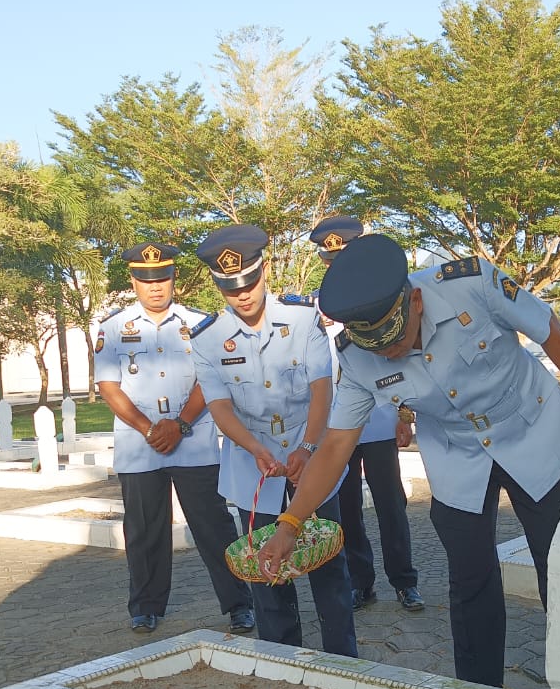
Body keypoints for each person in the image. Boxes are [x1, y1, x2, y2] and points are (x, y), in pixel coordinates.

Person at [257, 234, 560, 687]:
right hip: (456, 454)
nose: (390, 353)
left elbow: (546, 326)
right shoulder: (357, 354)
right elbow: (334, 446)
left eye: (397, 339)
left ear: (418, 302)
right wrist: (290, 522)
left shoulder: (474, 283)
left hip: (531, 430)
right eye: (379, 348)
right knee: (470, 580)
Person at [189, 224, 358, 657]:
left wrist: (307, 447)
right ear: (217, 286)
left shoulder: (302, 319)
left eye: (249, 282)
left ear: (265, 271)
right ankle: (281, 659)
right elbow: (221, 407)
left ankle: (343, 660)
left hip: (311, 453)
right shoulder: (208, 339)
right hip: (253, 464)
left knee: (327, 563)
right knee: (265, 568)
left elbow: (323, 388)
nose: (242, 295)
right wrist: (255, 449)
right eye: (230, 288)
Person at [94, 242, 255, 634]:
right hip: (140, 446)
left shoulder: (199, 323)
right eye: (146, 280)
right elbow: (109, 387)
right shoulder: (112, 328)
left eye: (162, 279)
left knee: (214, 527)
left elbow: (209, 378)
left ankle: (239, 603)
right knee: (145, 529)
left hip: (194, 441)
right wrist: (150, 428)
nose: (155, 287)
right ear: (133, 281)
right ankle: (146, 607)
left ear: (172, 279)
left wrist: (179, 424)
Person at [310, 216, 422, 612]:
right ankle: (361, 582)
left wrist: (404, 415)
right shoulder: (311, 308)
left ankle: (405, 581)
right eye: (329, 259)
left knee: (391, 506)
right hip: (336, 429)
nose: (335, 265)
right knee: (348, 512)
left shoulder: (386, 293)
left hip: (376, 420)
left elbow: (407, 362)